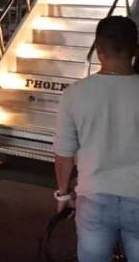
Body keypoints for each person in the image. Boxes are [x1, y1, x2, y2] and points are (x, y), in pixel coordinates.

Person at [54, 16, 139, 262]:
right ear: (135, 50)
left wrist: (63, 194)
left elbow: (63, 155)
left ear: (98, 50)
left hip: (94, 199)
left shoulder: (74, 94)